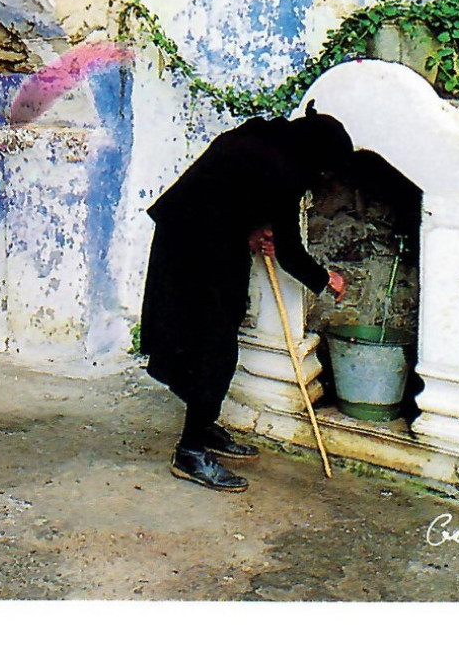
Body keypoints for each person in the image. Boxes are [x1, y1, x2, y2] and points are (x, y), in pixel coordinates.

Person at [139, 101, 353, 492]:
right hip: (192, 249)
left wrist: (250, 225)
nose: (319, 179)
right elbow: (288, 252)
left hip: (197, 236)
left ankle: (203, 428)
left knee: (218, 335)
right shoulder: (283, 168)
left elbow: (230, 192)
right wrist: (327, 279)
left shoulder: (267, 138)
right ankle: (190, 451)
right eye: (322, 171)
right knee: (213, 347)